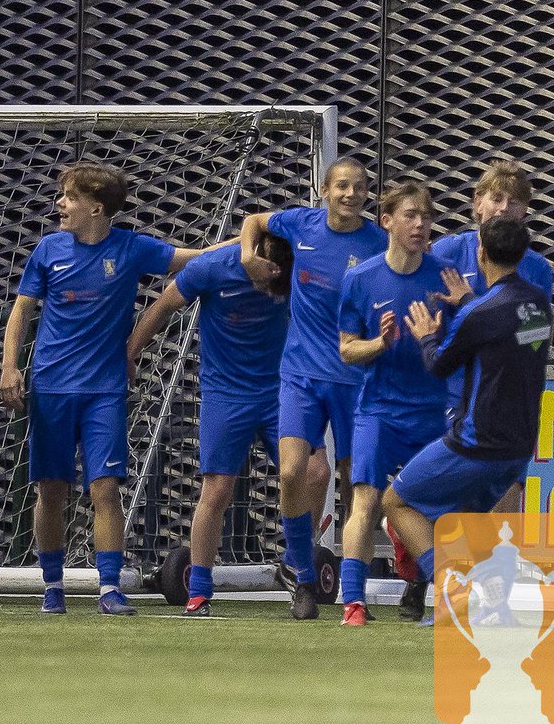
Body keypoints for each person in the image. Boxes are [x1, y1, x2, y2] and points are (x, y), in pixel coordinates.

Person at [0, 161, 210, 616]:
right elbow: (21, 312)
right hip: (50, 389)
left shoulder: (131, 249)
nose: (60, 204)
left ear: (96, 208)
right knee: (50, 491)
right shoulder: (48, 250)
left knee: (104, 490)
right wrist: (9, 367)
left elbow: (192, 256)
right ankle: (52, 586)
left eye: (69, 197)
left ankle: (109, 588)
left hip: (104, 391)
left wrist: (252, 237)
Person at [387, 159, 554, 621]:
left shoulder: (535, 270)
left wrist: (461, 312)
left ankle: (468, 591)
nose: (504, 207)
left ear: (525, 213)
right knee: (437, 499)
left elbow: (508, 329)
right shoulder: (442, 254)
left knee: (457, 502)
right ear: (477, 204)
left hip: (484, 405)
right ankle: (427, 585)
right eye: (496, 198)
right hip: (448, 399)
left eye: (514, 200)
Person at [239, 157, 388, 619]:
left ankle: (352, 590)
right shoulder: (299, 223)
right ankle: (302, 577)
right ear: (324, 190)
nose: (350, 194)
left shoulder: (379, 243)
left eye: (359, 187)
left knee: (355, 485)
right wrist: (248, 255)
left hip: (356, 378)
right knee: (290, 474)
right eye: (341, 186)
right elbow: (253, 220)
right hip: (300, 374)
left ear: (368, 195)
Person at [126, 234, 293, 616]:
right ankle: (199, 588)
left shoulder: (291, 272)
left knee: (310, 472)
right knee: (217, 488)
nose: (270, 279)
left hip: (280, 391)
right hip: (226, 395)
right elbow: (162, 306)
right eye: (265, 270)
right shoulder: (212, 268)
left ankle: (296, 560)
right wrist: (130, 353)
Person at [336, 181, 448, 626]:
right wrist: (380, 344)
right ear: (386, 221)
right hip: (378, 409)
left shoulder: (444, 277)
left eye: (426, 216)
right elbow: (347, 349)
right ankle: (353, 602)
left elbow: (464, 340)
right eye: (410, 215)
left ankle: (441, 594)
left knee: (439, 507)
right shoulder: (360, 279)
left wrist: (439, 338)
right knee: (365, 499)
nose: (420, 224)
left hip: (432, 410)